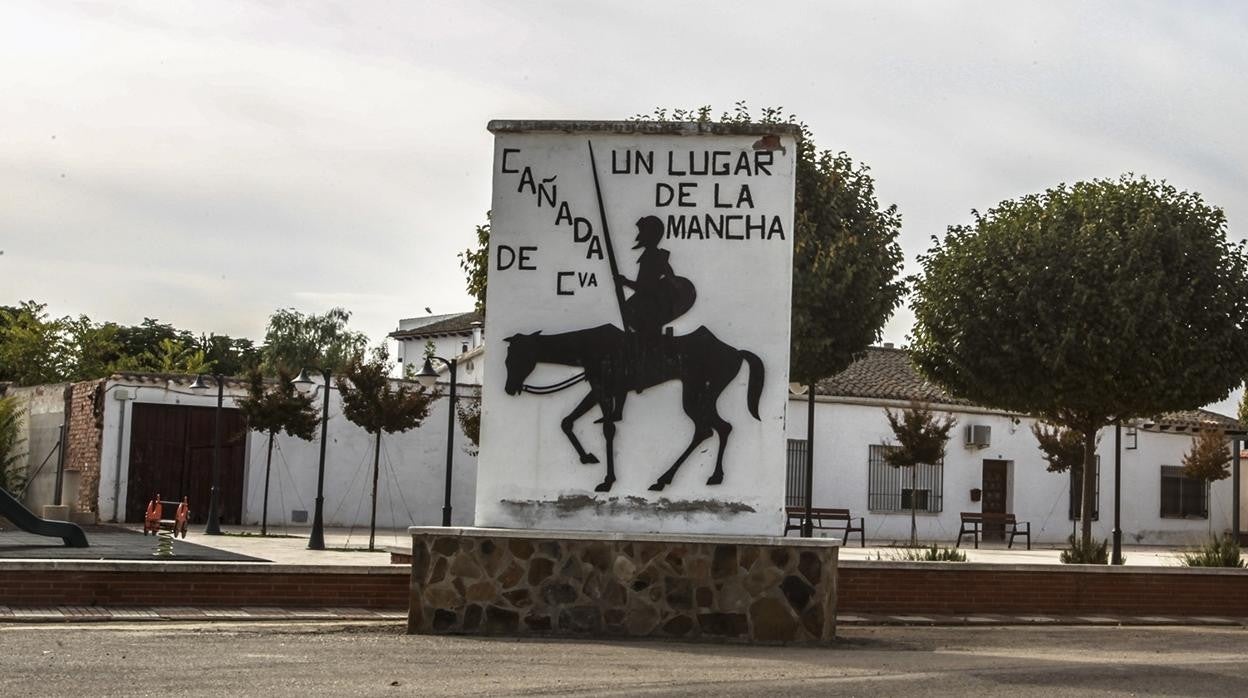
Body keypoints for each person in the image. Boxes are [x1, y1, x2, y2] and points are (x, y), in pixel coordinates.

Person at [616, 216, 696, 340]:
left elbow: (645, 287)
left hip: (651, 310)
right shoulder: (655, 256)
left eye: (642, 232)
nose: (639, 235)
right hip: (652, 307)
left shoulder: (651, 257)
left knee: (646, 333)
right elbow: (669, 276)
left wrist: (625, 282)